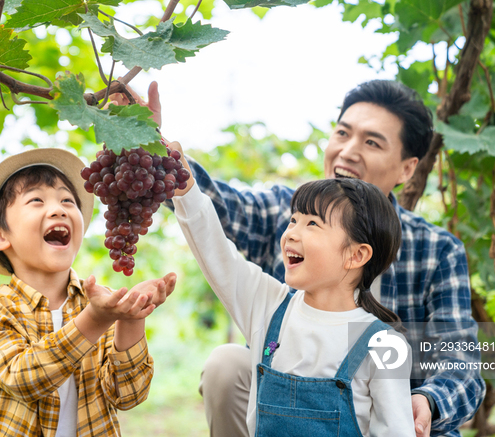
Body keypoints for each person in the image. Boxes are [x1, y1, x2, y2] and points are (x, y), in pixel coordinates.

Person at [114, 79, 485, 437]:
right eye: (342, 133)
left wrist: (427, 401)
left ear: (407, 167)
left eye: (372, 141)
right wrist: (164, 160)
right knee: (226, 363)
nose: (291, 232)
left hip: (411, 415)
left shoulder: (428, 266)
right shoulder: (270, 304)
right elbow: (214, 231)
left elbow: (458, 367)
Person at [172, 172, 416, 436]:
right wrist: (180, 177)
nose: (291, 234)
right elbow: (215, 251)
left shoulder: (385, 346)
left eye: (312, 223)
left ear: (356, 255)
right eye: (293, 220)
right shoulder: (269, 306)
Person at [0, 148, 176, 437]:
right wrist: (95, 321)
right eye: (36, 201)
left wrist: (131, 317)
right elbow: (22, 379)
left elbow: (129, 394)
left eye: (67, 200)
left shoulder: (100, 304)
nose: (58, 209)